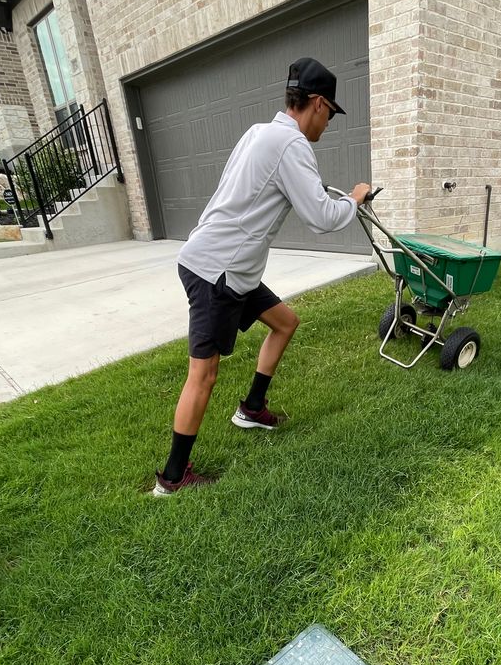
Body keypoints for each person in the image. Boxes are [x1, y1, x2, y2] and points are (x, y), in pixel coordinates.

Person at [153, 57, 371, 495]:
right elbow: (322, 218)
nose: (328, 123)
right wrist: (355, 199)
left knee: (285, 322)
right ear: (315, 102)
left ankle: (252, 408)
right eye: (330, 112)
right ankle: (173, 478)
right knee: (204, 373)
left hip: (233, 266)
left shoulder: (260, 132)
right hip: (219, 269)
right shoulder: (292, 145)